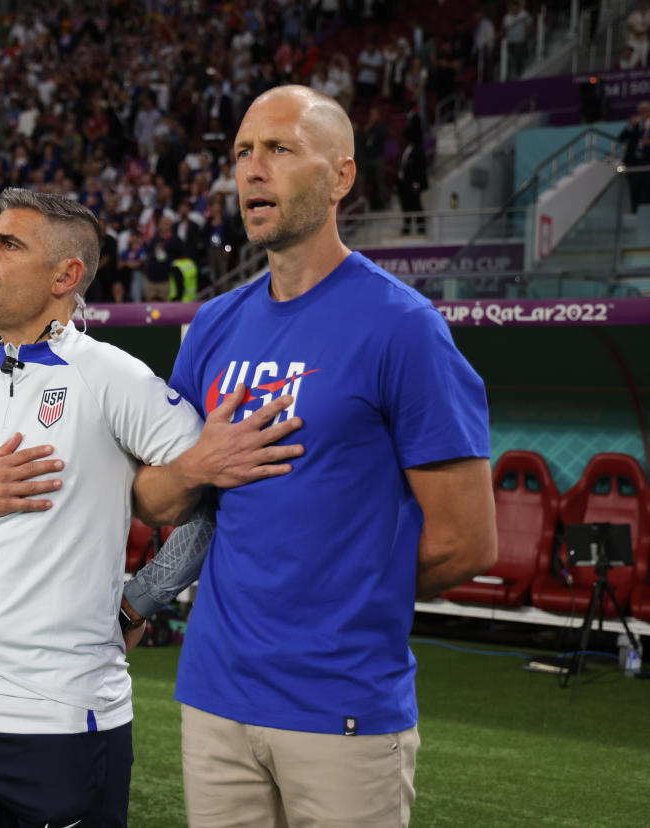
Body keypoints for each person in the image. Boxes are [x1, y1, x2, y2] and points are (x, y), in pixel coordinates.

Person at [0, 189, 304, 827]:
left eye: (9, 244)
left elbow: (203, 506)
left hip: (64, 714)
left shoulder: (115, 378)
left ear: (66, 276)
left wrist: (139, 602)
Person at [167, 85, 496, 827]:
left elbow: (468, 541)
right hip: (214, 697)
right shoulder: (212, 325)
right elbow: (157, 498)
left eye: (279, 150)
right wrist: (192, 467)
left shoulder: (402, 328)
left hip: (339, 703)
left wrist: (337, 604)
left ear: (341, 176)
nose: (251, 170)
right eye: (242, 153)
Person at [619, 100, 650, 212]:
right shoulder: (635, 126)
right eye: (640, 112)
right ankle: (635, 214)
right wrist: (629, 126)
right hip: (634, 165)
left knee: (649, 192)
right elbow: (621, 138)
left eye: (646, 111)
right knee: (634, 192)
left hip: (649, 165)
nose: (643, 114)